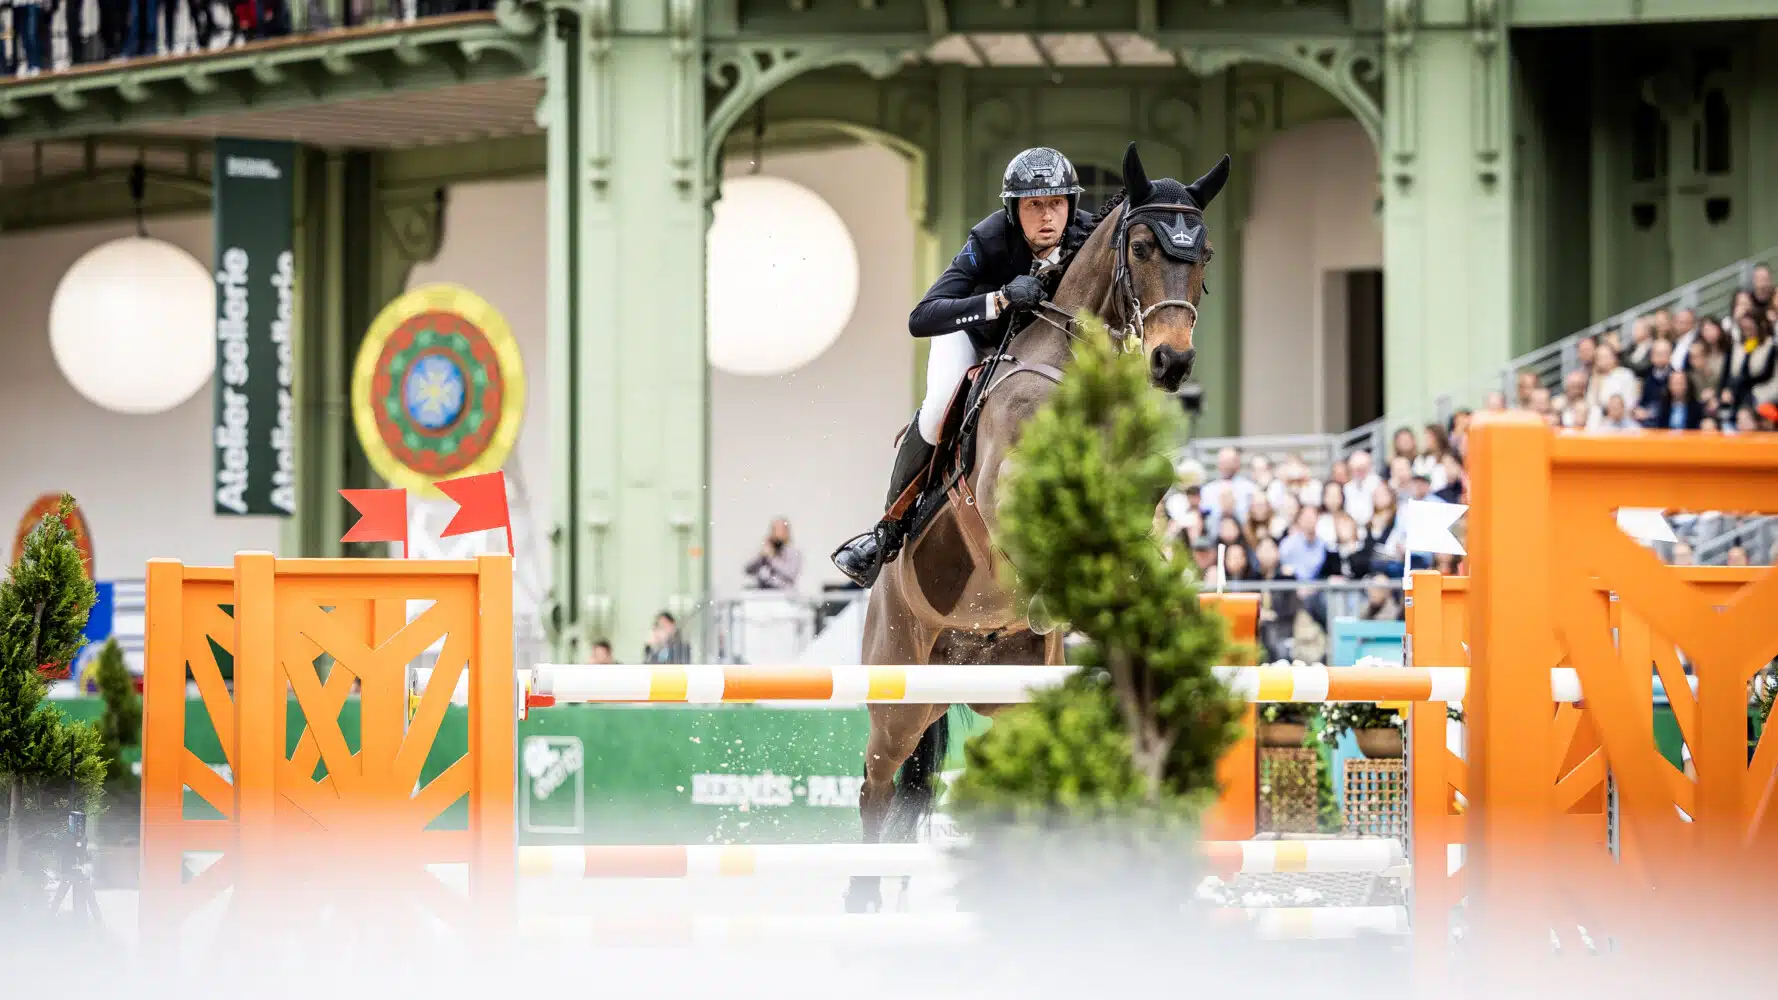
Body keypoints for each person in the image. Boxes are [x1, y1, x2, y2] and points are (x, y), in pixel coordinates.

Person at [832, 147, 1094, 587]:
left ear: (1071, 204)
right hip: (976, 337)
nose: (1047, 216)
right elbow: (923, 316)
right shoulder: (990, 239)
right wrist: (1000, 299)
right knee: (937, 412)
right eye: (1034, 205)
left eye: (1056, 203)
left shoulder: (1088, 238)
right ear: (1014, 209)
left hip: (1043, 351)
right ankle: (888, 532)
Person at [744, 518, 802, 591]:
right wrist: (760, 556)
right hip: (762, 594)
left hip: (783, 595)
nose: (777, 533)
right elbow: (747, 570)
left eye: (781, 530)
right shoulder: (764, 551)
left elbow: (790, 574)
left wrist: (772, 558)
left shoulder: (794, 553)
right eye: (775, 529)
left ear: (787, 532)